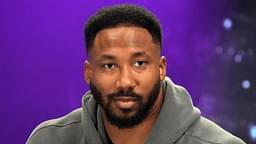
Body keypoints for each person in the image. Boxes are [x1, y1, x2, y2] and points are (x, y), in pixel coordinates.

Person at [26, 4, 245, 144]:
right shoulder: (49, 139)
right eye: (109, 66)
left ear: (161, 69)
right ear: (89, 72)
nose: (125, 81)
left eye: (139, 63)